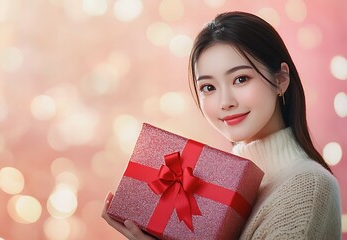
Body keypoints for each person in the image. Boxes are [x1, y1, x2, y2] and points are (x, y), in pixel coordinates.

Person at [101, 11, 342, 239]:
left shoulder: (308, 187)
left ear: (280, 79)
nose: (225, 102)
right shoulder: (213, 186)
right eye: (209, 87)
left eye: (241, 79)